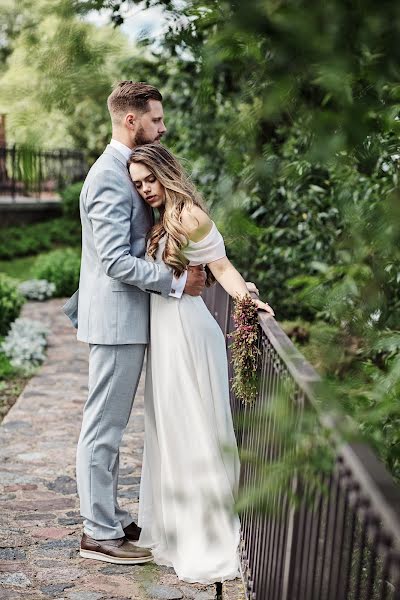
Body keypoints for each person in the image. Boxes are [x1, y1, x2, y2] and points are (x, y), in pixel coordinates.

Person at [62, 81, 208, 565]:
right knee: (103, 425)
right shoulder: (107, 175)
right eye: (157, 120)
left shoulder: (122, 169)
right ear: (132, 119)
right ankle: (97, 531)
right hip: (116, 321)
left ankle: (110, 515)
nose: (162, 129)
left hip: (126, 319)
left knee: (113, 424)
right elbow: (114, 261)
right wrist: (175, 281)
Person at [127, 144, 275, 583]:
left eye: (150, 179)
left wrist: (249, 302)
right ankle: (177, 524)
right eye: (137, 184)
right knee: (171, 427)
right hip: (166, 339)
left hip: (189, 335)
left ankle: (206, 531)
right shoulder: (160, 221)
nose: (145, 189)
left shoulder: (190, 214)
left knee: (194, 426)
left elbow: (222, 266)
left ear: (166, 173)